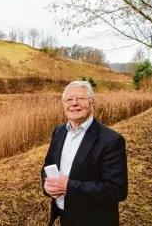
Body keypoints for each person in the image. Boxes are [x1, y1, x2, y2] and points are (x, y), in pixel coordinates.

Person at [41, 81, 128, 226]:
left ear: (92, 103)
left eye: (80, 98)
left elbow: (117, 190)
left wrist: (69, 187)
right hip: (64, 217)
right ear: (64, 105)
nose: (74, 103)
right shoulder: (59, 131)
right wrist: (46, 184)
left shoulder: (111, 140)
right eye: (69, 99)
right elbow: (47, 165)